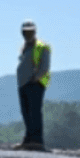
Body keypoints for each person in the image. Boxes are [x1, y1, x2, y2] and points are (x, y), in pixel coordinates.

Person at [16, 20, 52, 151]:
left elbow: (45, 66)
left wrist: (35, 78)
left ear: (35, 32)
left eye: (30, 31)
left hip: (35, 84)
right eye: (25, 32)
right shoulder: (24, 46)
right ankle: (28, 139)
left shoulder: (42, 46)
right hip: (23, 83)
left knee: (34, 112)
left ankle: (37, 140)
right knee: (26, 112)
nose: (27, 34)